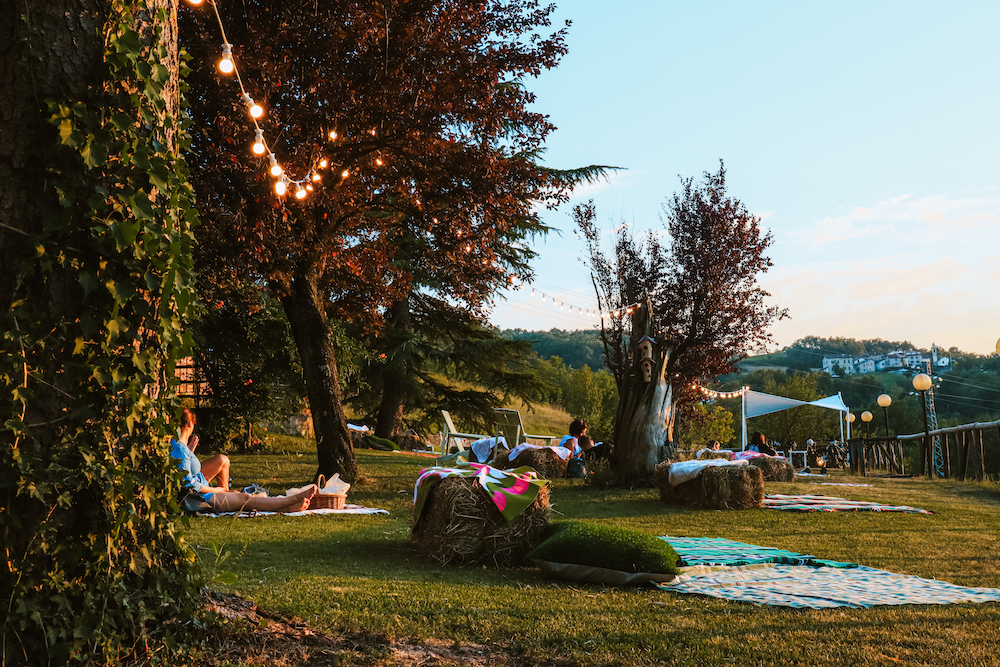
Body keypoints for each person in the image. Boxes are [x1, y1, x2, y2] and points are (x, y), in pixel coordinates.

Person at [170, 408, 316, 513]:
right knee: (245, 498)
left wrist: (189, 451)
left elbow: (185, 468)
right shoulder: (180, 449)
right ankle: (291, 500)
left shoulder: (180, 447)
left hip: (204, 492)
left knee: (240, 495)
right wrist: (215, 489)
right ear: (190, 424)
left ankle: (288, 507)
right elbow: (189, 484)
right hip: (203, 498)